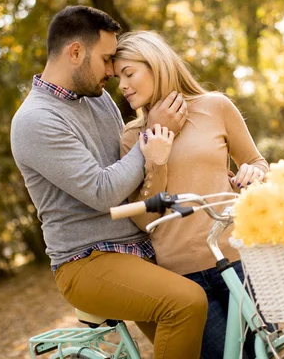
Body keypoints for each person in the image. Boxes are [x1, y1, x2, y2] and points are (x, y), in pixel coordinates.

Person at [10, 6, 208, 359]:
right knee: (187, 303)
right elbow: (104, 192)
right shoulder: (35, 121)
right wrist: (152, 132)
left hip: (140, 249)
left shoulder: (99, 99)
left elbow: (135, 166)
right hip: (87, 262)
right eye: (105, 59)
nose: (112, 71)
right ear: (75, 52)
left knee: (207, 344)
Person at [115, 30, 273, 359]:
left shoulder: (215, 107)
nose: (123, 86)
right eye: (118, 77)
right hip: (184, 281)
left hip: (240, 262)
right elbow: (145, 220)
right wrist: (156, 161)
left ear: (156, 65)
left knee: (268, 353)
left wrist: (253, 174)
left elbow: (257, 162)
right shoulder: (132, 138)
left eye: (129, 73)